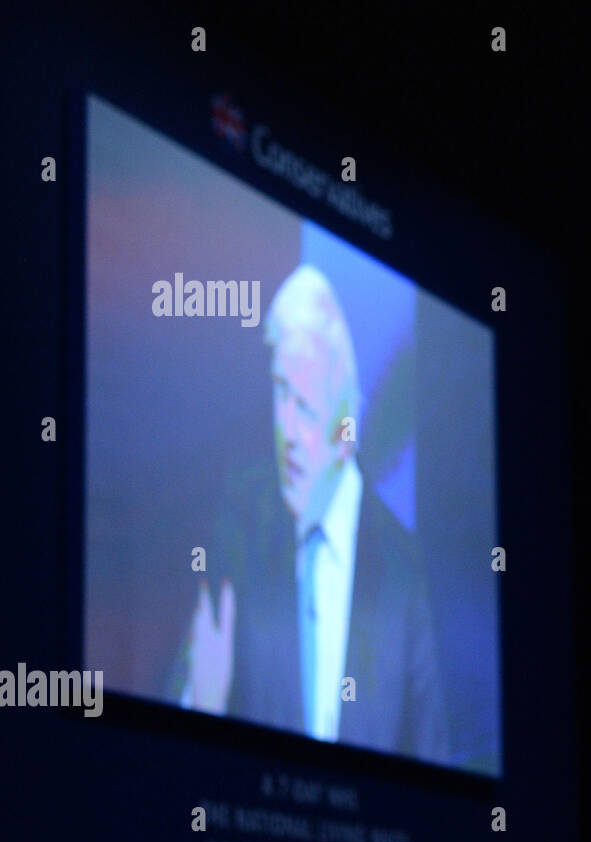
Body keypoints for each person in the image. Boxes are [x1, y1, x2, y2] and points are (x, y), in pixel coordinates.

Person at [164, 264, 450, 765]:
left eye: (306, 408)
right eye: (280, 393)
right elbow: (183, 702)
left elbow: (434, 761)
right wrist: (200, 703)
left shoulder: (404, 566)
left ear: (345, 433)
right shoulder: (239, 525)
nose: (287, 432)